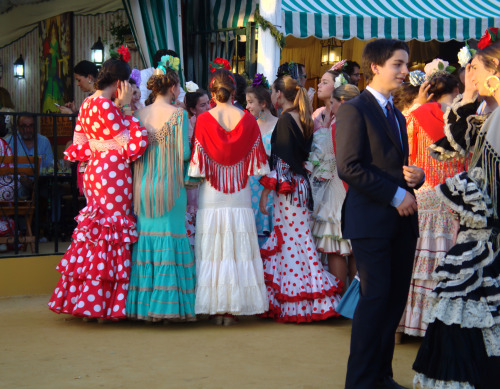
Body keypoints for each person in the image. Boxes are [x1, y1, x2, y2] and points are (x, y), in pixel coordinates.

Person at [335, 39, 425, 389]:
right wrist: (395, 193)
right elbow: (349, 167)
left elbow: (388, 165)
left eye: (405, 64)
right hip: (371, 221)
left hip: (400, 222)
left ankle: (380, 377)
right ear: (375, 67)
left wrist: (412, 177)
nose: (405, 71)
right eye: (398, 64)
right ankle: (360, 382)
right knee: (374, 301)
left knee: (393, 300)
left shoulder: (397, 114)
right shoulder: (354, 109)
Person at [413, 39, 500, 389]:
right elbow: (450, 146)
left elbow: (482, 183)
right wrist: (468, 94)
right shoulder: (486, 116)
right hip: (479, 235)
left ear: (493, 75)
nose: (468, 75)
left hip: (486, 236)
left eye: (474, 69)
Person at [47, 56, 149, 320]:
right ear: (119, 82)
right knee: (111, 231)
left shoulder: (87, 104)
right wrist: (126, 110)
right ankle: (104, 304)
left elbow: (79, 143)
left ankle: (86, 299)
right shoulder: (106, 106)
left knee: (95, 230)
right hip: (113, 173)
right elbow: (132, 146)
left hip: (94, 170)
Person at [258, 75, 343, 323]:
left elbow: (281, 161)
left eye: (274, 92)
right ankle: (304, 301)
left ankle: (302, 301)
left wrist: (266, 192)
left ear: (279, 95)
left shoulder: (285, 120)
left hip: (289, 189)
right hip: (300, 186)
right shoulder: (304, 118)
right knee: (298, 243)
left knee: (293, 243)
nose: (272, 96)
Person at [189, 69, 269, 326]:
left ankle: (214, 307)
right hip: (239, 193)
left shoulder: (202, 121)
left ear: (212, 93)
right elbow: (259, 167)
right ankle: (234, 309)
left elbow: (196, 167)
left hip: (212, 192)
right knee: (237, 251)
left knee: (213, 251)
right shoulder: (248, 120)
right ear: (235, 92)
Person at [126, 55, 195, 322]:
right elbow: (185, 152)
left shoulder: (139, 114)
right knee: (171, 241)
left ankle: (144, 308)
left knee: (147, 244)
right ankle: (168, 309)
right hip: (170, 187)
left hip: (143, 187)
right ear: (174, 87)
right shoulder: (179, 115)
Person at [397, 71, 462, 339]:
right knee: (446, 258)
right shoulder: (463, 120)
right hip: (452, 195)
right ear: (456, 89)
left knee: (413, 261)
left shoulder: (414, 116)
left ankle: (402, 326)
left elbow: (403, 148)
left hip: (421, 192)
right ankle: (437, 327)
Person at [306, 84, 359, 293]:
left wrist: (324, 130)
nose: (330, 107)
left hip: (337, 192)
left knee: (336, 249)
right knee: (354, 249)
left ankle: (339, 299)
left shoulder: (335, 128)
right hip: (356, 193)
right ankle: (356, 302)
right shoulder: (363, 124)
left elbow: (319, 163)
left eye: (332, 103)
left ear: (341, 102)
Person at [245, 73, 278, 247]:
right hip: (251, 185)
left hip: (269, 185)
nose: (247, 106)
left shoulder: (278, 125)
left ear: (263, 104)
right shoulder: (249, 125)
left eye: (251, 102)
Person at [183, 87, 210, 247]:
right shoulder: (192, 123)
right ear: (192, 109)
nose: (208, 108)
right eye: (203, 105)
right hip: (193, 175)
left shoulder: (205, 120)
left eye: (208, 103)